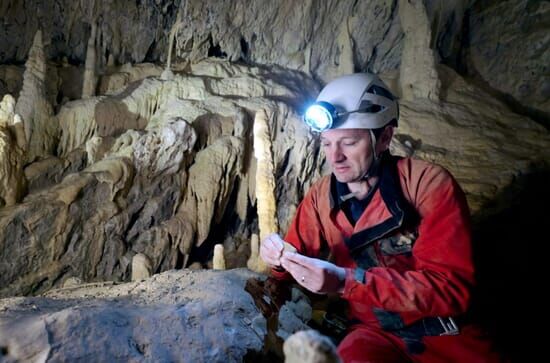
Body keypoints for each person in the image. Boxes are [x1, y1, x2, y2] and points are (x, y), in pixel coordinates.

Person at [260, 73, 501, 362]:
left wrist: (345, 281)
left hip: (445, 332)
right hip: (372, 333)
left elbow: (449, 289)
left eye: (348, 143)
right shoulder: (321, 196)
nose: (334, 157)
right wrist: (277, 257)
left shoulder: (427, 184)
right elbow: (289, 263)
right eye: (326, 143)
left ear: (384, 138)